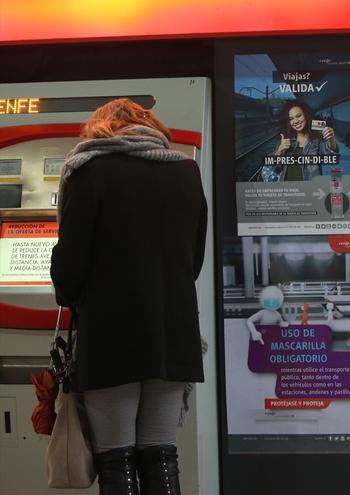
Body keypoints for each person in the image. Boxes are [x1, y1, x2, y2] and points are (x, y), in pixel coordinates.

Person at [50, 98, 207, 495]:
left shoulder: (89, 171)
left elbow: (69, 271)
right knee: (161, 453)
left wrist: (66, 283)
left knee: (115, 458)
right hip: (173, 336)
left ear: (101, 129)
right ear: (149, 126)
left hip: (112, 338)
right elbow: (193, 261)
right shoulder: (187, 171)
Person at [257, 101, 339, 182]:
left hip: (309, 191)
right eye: (291, 119)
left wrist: (330, 139)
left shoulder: (316, 140)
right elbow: (271, 170)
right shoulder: (284, 140)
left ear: (306, 116)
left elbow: (330, 155)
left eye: (298, 116)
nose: (295, 121)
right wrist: (279, 152)